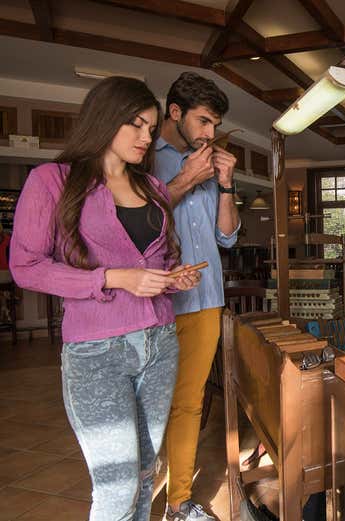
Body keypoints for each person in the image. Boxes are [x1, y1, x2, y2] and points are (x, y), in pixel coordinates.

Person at [9, 76, 201, 521]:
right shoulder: (51, 181)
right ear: (104, 119)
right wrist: (114, 277)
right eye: (135, 124)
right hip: (97, 352)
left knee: (147, 472)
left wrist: (174, 279)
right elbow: (26, 267)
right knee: (117, 486)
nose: (144, 137)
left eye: (151, 129)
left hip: (159, 342)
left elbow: (153, 267)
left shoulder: (152, 187)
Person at [153, 72, 239, 521]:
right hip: (156, 303)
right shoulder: (144, 158)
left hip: (206, 300)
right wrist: (186, 179)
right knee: (149, 403)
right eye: (204, 121)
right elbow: (134, 222)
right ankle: (133, 497)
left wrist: (224, 183)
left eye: (215, 124)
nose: (210, 134)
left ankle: (178, 502)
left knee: (188, 403)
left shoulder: (209, 164)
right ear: (175, 112)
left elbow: (226, 237)